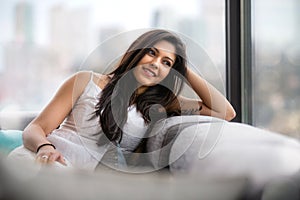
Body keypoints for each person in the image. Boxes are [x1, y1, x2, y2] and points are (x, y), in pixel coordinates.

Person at [8, 29, 235, 171]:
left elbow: (225, 112)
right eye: (152, 53)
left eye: (167, 62)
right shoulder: (85, 80)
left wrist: (182, 68)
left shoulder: (163, 105)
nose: (156, 63)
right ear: (136, 52)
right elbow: (36, 127)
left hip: (83, 183)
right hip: (42, 162)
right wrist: (45, 148)